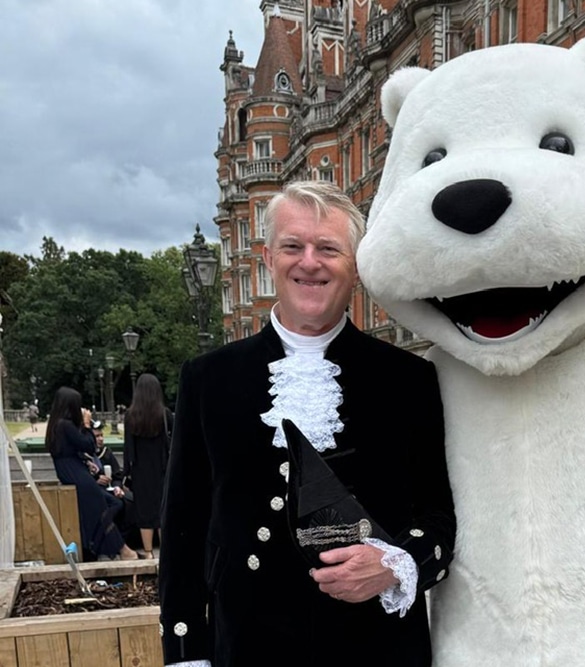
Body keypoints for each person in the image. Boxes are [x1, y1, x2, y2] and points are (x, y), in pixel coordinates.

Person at [159, 180, 456, 666]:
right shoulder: (208, 379)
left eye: (329, 249)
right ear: (267, 257)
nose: (309, 262)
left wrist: (394, 564)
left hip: (376, 648)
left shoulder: (410, 379)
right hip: (249, 646)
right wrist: (186, 654)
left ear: (355, 266)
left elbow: (439, 517)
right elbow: (183, 529)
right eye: (293, 246)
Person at [45, 387, 137, 561]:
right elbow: (89, 445)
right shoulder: (65, 425)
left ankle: (100, 545)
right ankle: (121, 549)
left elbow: (70, 449)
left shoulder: (56, 425)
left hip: (71, 470)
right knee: (100, 509)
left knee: (104, 507)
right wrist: (86, 425)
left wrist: (86, 462)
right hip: (76, 475)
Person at [123, 373, 172, 559]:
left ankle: (148, 552)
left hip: (140, 471)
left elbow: (128, 448)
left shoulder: (131, 416)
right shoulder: (165, 415)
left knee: (144, 514)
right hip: (162, 469)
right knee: (162, 512)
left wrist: (126, 473)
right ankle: (165, 553)